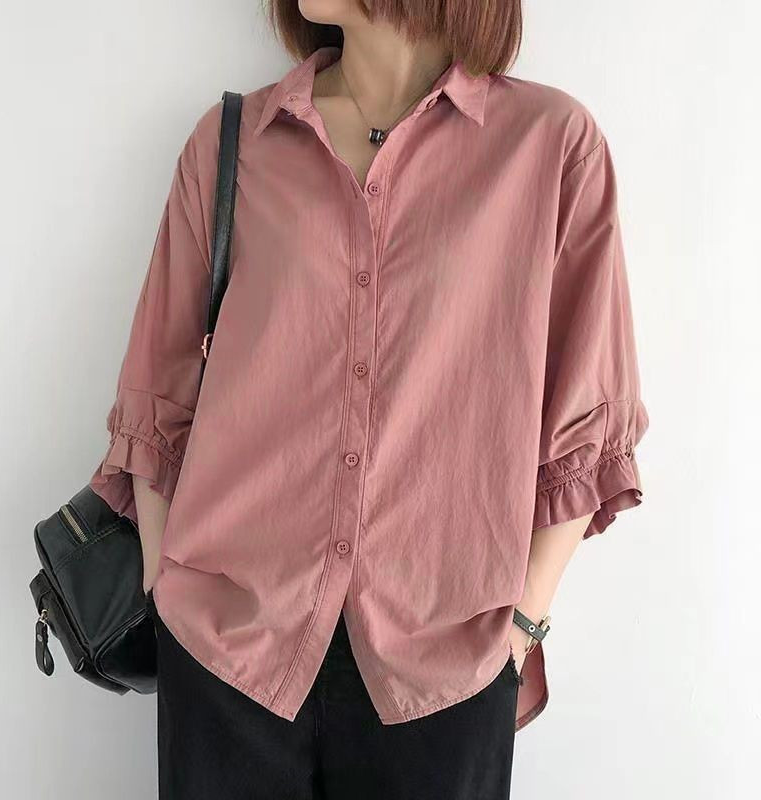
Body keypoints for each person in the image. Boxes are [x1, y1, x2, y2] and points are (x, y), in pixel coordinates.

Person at [89, 1, 649, 797]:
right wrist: (165, 590)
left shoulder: (551, 146)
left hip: (445, 668)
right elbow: (158, 390)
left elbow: (589, 413)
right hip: (226, 652)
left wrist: (522, 625)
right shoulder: (234, 143)